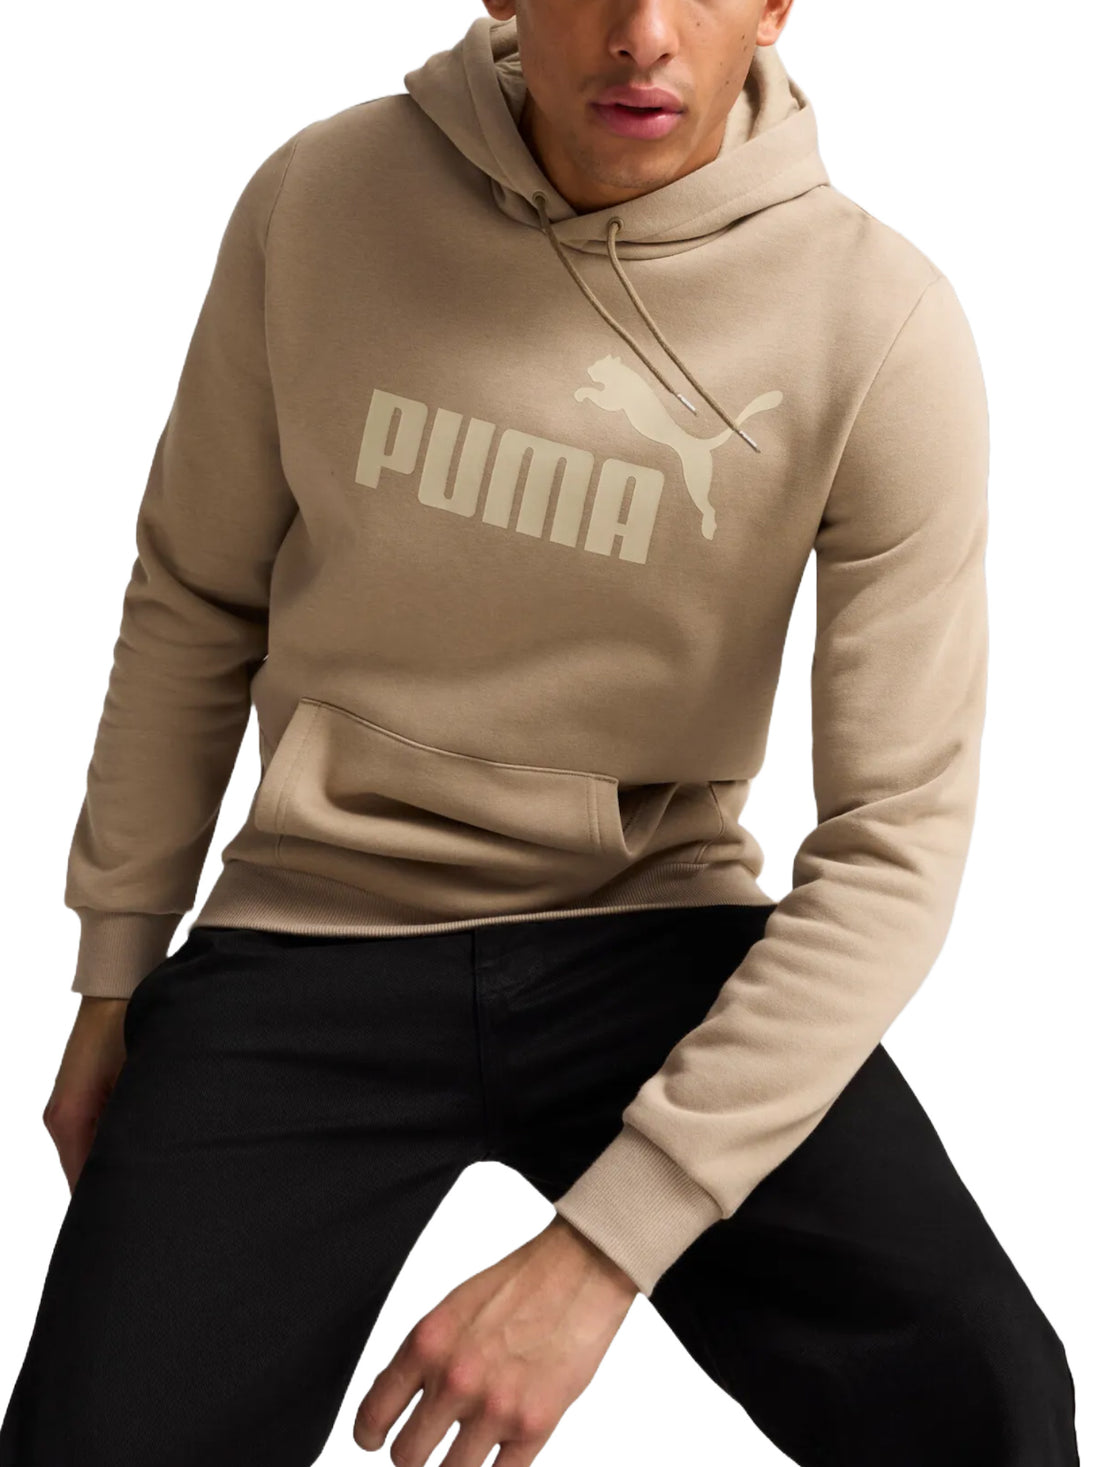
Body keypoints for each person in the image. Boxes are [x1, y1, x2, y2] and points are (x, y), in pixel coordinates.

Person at [0, 0, 1080, 1463]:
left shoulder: (878, 322)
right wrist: (115, 970)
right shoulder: (320, 199)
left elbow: (896, 841)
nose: (644, 33)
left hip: (653, 935)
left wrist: (601, 1252)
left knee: (987, 1399)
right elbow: (196, 594)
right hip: (315, 926)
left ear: (776, 5)